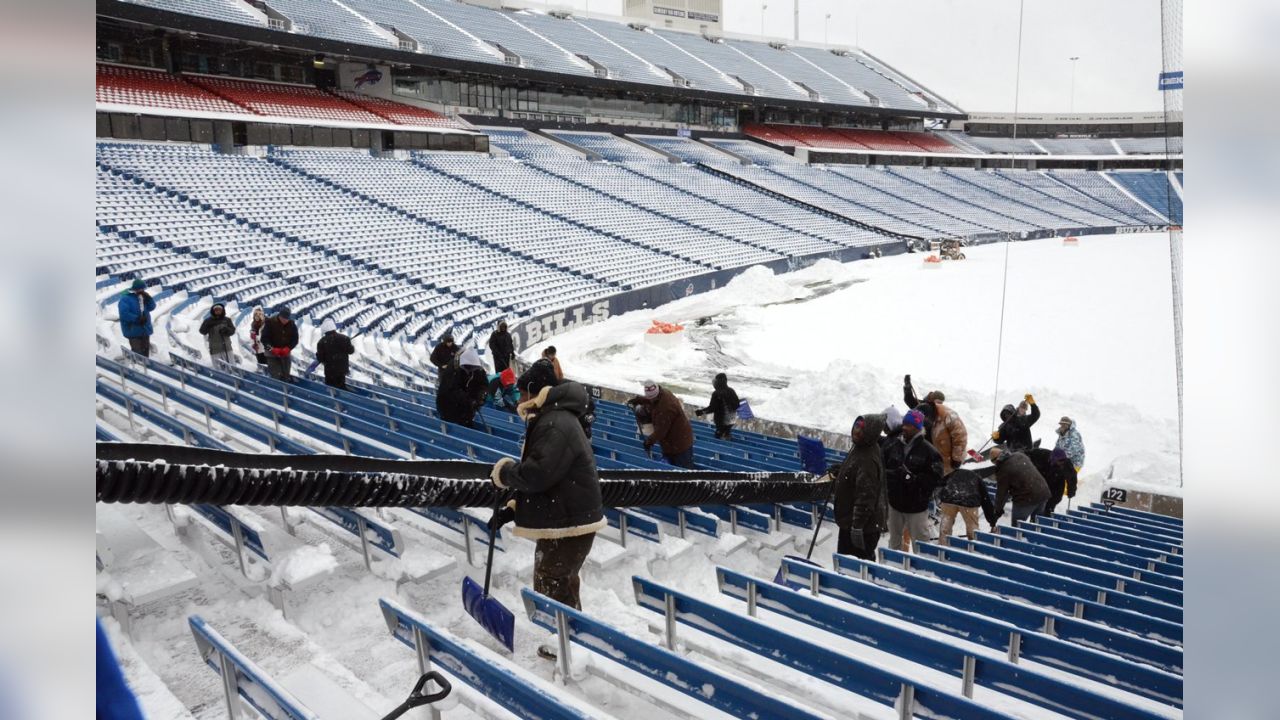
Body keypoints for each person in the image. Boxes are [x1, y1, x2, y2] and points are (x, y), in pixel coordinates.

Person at [489, 380, 604, 623]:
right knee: (557, 580)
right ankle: (568, 637)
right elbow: (553, 477)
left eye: (520, 393)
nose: (518, 399)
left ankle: (564, 640)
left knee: (553, 580)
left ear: (535, 392)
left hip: (570, 522)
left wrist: (506, 473)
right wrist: (513, 508)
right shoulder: (555, 419)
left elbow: (538, 474)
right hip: (563, 517)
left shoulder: (555, 424)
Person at [885, 409, 944, 552]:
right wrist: (893, 476)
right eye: (904, 423)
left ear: (917, 428)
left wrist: (914, 479)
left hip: (916, 508)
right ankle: (895, 569)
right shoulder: (894, 445)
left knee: (921, 545)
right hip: (895, 505)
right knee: (894, 543)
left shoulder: (929, 451)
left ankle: (922, 571)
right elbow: (884, 467)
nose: (904, 427)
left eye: (909, 425)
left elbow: (936, 479)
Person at [833, 414, 887, 560]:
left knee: (855, 568)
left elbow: (866, 498)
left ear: (870, 432)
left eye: (862, 429)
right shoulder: (861, 447)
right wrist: (841, 471)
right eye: (856, 426)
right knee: (849, 565)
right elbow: (855, 472)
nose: (856, 431)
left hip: (862, 527)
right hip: (851, 523)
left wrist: (857, 527)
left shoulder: (867, 459)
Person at [978, 447, 1051, 528]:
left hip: (1026, 498)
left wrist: (997, 512)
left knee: (1017, 527)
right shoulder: (1019, 455)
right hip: (1043, 492)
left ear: (995, 460)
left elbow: (1002, 494)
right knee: (1037, 525)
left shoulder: (1003, 470)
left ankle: (1019, 537)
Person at [634, 380, 695, 469]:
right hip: (671, 443)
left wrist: (649, 442)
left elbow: (660, 432)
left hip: (680, 443)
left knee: (683, 472)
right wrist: (640, 399)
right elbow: (652, 400)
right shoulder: (663, 392)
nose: (651, 399)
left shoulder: (665, 408)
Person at [937, 467, 997, 543]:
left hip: (949, 499)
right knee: (972, 528)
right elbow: (986, 500)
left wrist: (941, 497)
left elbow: (939, 484)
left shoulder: (952, 473)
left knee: (945, 525)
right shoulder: (977, 477)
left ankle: (943, 547)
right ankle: (974, 546)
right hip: (969, 502)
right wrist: (992, 522)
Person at [437, 349, 489, 427]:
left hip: (467, 406)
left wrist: (481, 396)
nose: (470, 370)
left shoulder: (478, 370)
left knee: (467, 422)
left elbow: (483, 384)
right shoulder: (453, 370)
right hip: (448, 404)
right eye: (468, 367)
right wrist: (469, 401)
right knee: (455, 425)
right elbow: (452, 390)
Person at [1027, 447, 1078, 516]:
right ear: (1053, 459)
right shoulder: (1041, 456)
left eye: (1063, 460)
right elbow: (1028, 454)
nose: (1062, 463)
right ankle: (1034, 520)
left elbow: (1072, 477)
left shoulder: (1066, 464)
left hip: (1057, 485)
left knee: (1050, 505)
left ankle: (1046, 518)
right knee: (1038, 505)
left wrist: (1071, 490)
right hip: (1042, 483)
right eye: (1060, 461)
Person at [694, 372, 741, 440]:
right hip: (732, 420)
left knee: (718, 435)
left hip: (721, 421)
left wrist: (700, 412)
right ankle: (726, 435)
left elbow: (712, 408)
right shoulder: (731, 391)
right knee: (726, 431)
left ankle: (721, 438)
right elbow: (737, 404)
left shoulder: (716, 394)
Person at [117, 278, 155, 357]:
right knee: (138, 355)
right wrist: (137, 319)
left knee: (145, 355)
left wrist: (149, 298)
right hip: (133, 330)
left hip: (145, 329)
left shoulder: (142, 297)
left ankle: (146, 368)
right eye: (140, 289)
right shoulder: (125, 299)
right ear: (135, 289)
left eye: (143, 289)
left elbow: (152, 307)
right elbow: (124, 314)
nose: (142, 291)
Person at [314, 317, 355, 390]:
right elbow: (351, 351)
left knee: (330, 389)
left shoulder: (321, 342)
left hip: (330, 371)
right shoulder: (344, 338)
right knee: (341, 387)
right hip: (342, 369)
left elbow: (320, 358)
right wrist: (350, 345)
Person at [260, 307, 299, 382]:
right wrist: (271, 349)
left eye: (287, 319)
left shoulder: (292, 324)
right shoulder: (270, 322)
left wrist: (288, 348)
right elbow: (264, 339)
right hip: (272, 354)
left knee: (286, 375)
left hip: (285, 354)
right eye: (284, 319)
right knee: (276, 376)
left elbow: (295, 339)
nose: (285, 321)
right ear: (279, 316)